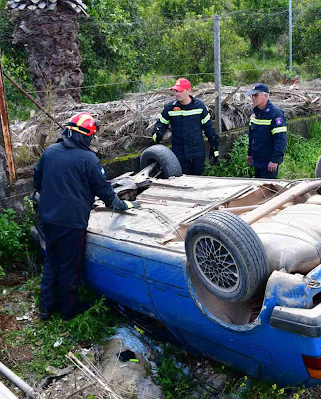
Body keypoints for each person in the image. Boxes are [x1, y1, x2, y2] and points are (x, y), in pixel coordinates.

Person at [33, 112, 139, 321]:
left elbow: (37, 180)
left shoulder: (50, 152)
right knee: (70, 266)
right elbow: (104, 190)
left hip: (48, 217)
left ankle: (46, 307)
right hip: (72, 223)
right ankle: (68, 310)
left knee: (52, 260)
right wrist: (122, 204)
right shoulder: (88, 159)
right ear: (85, 136)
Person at [152, 78, 219, 175]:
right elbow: (161, 124)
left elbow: (209, 129)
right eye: (176, 91)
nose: (177, 94)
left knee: (197, 180)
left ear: (188, 90)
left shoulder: (199, 107)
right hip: (178, 154)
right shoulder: (170, 108)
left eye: (180, 91)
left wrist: (214, 147)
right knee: (180, 180)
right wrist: (157, 135)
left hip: (197, 153)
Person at [246, 83, 287, 179]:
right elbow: (252, 136)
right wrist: (250, 153)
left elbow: (280, 139)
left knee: (267, 187)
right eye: (252, 95)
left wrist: (275, 160)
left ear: (265, 96)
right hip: (257, 159)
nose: (252, 97)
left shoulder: (275, 113)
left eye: (256, 95)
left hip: (269, 162)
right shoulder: (255, 113)